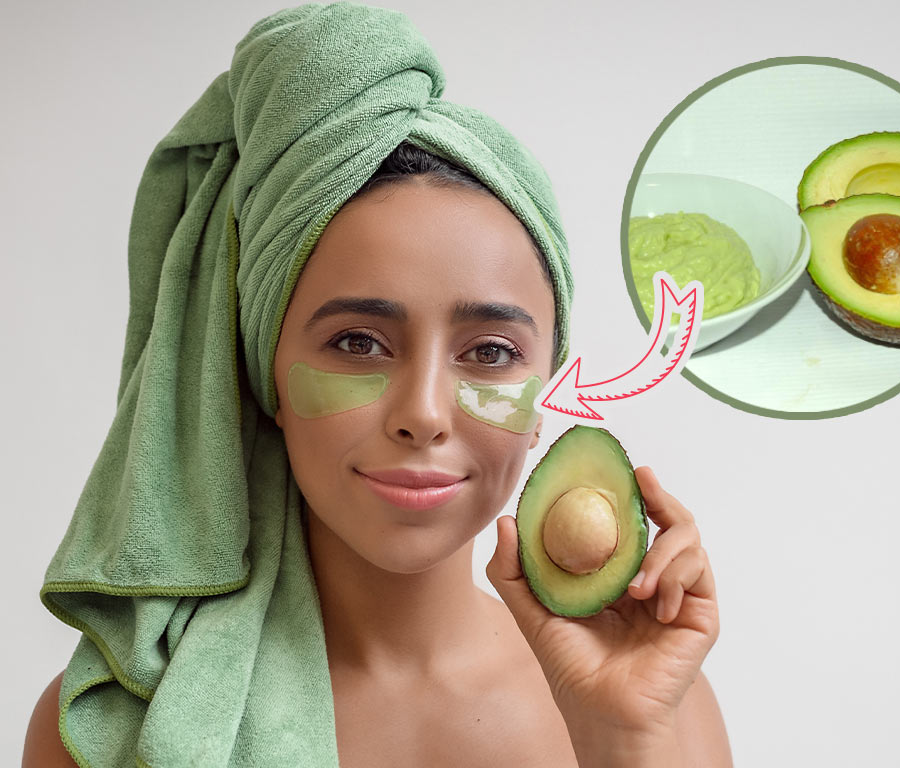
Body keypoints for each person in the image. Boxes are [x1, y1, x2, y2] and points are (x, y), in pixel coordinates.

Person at [24, 4, 730, 767]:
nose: (423, 413)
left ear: (542, 395)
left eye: (490, 352)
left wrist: (623, 738)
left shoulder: (656, 703)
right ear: (268, 380)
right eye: (358, 343)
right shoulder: (105, 729)